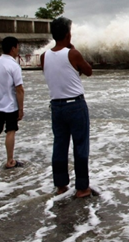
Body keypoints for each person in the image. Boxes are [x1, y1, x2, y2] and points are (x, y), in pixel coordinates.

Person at [40, 17, 93, 198]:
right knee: (80, 146)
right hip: (75, 105)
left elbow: (58, 73)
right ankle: (82, 188)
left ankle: (61, 185)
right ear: (67, 33)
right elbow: (88, 71)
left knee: (60, 145)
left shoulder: (44, 56)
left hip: (56, 106)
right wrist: (73, 50)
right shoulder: (73, 54)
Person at [0, 36, 25, 169]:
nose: (18, 50)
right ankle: (10, 160)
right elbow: (19, 89)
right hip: (10, 106)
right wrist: (21, 109)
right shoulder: (14, 66)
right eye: (17, 47)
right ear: (12, 48)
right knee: (10, 131)